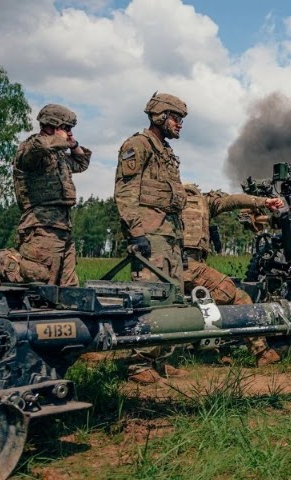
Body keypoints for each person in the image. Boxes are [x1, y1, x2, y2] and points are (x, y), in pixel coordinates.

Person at [114, 92, 190, 383]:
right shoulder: (138, 145)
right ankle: (138, 363)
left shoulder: (167, 152)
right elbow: (125, 192)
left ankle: (161, 360)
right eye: (176, 118)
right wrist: (136, 233)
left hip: (169, 235)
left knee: (173, 299)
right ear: (160, 116)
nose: (179, 124)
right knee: (149, 297)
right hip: (150, 234)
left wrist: (180, 240)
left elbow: (174, 200)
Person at [0, 104, 90, 287]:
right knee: (39, 276)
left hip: (63, 225)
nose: (69, 133)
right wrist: (59, 140)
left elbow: (81, 163)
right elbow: (39, 148)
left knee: (67, 286)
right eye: (66, 128)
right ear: (52, 126)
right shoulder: (32, 148)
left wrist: (73, 144)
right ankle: (0, 261)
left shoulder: (58, 155)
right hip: (41, 226)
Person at [182, 183, 285, 365]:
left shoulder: (199, 202)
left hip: (182, 266)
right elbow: (232, 201)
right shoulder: (195, 202)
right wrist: (264, 201)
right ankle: (260, 352)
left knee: (230, 298)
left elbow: (233, 201)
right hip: (185, 266)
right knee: (228, 291)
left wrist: (262, 202)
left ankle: (212, 351)